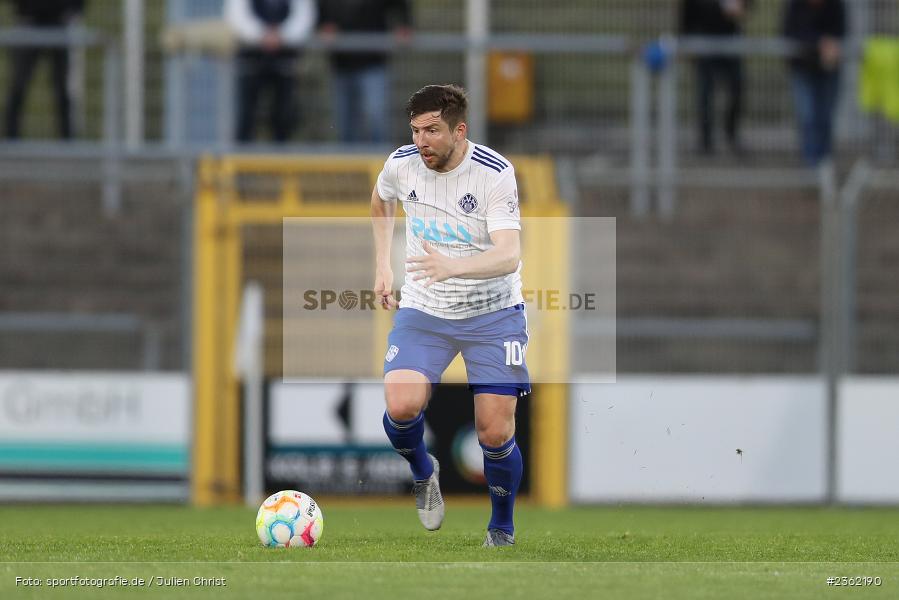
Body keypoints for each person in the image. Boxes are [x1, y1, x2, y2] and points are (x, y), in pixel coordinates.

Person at [371, 85, 528, 547]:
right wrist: (383, 265)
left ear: (460, 131)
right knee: (401, 406)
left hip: (493, 313)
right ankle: (424, 470)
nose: (421, 141)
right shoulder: (401, 163)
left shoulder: (494, 173)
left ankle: (501, 528)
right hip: (426, 308)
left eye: (432, 130)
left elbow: (509, 255)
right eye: (415, 130)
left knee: (494, 431)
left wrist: (453, 267)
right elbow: (380, 200)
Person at [317, 0, 411, 144]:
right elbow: (320, 10)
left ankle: (381, 157)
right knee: (344, 122)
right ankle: (347, 158)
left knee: (375, 116)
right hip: (341, 62)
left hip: (374, 61)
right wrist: (323, 25)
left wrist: (404, 25)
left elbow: (400, 6)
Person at [225, 0, 316, 143]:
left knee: (283, 113)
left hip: (285, 58)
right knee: (247, 113)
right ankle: (242, 154)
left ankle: (280, 154)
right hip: (252, 57)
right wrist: (262, 35)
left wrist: (282, 36)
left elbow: (304, 15)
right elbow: (237, 16)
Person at [679, 0, 753, 155]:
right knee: (705, 94)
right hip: (704, 41)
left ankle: (731, 134)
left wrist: (742, 7)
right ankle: (706, 141)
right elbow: (687, 12)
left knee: (737, 89)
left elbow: (746, 6)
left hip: (731, 40)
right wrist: (686, 41)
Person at [4, 0, 85, 140]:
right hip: (28, 23)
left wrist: (75, 8)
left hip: (59, 24)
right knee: (18, 85)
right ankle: (11, 138)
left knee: (62, 87)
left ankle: (68, 140)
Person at [783, 0, 847, 166]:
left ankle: (825, 162)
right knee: (807, 116)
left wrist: (831, 45)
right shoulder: (796, 5)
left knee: (825, 117)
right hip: (802, 69)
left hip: (829, 69)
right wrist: (819, 42)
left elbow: (841, 32)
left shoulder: (835, 5)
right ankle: (811, 164)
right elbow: (790, 32)